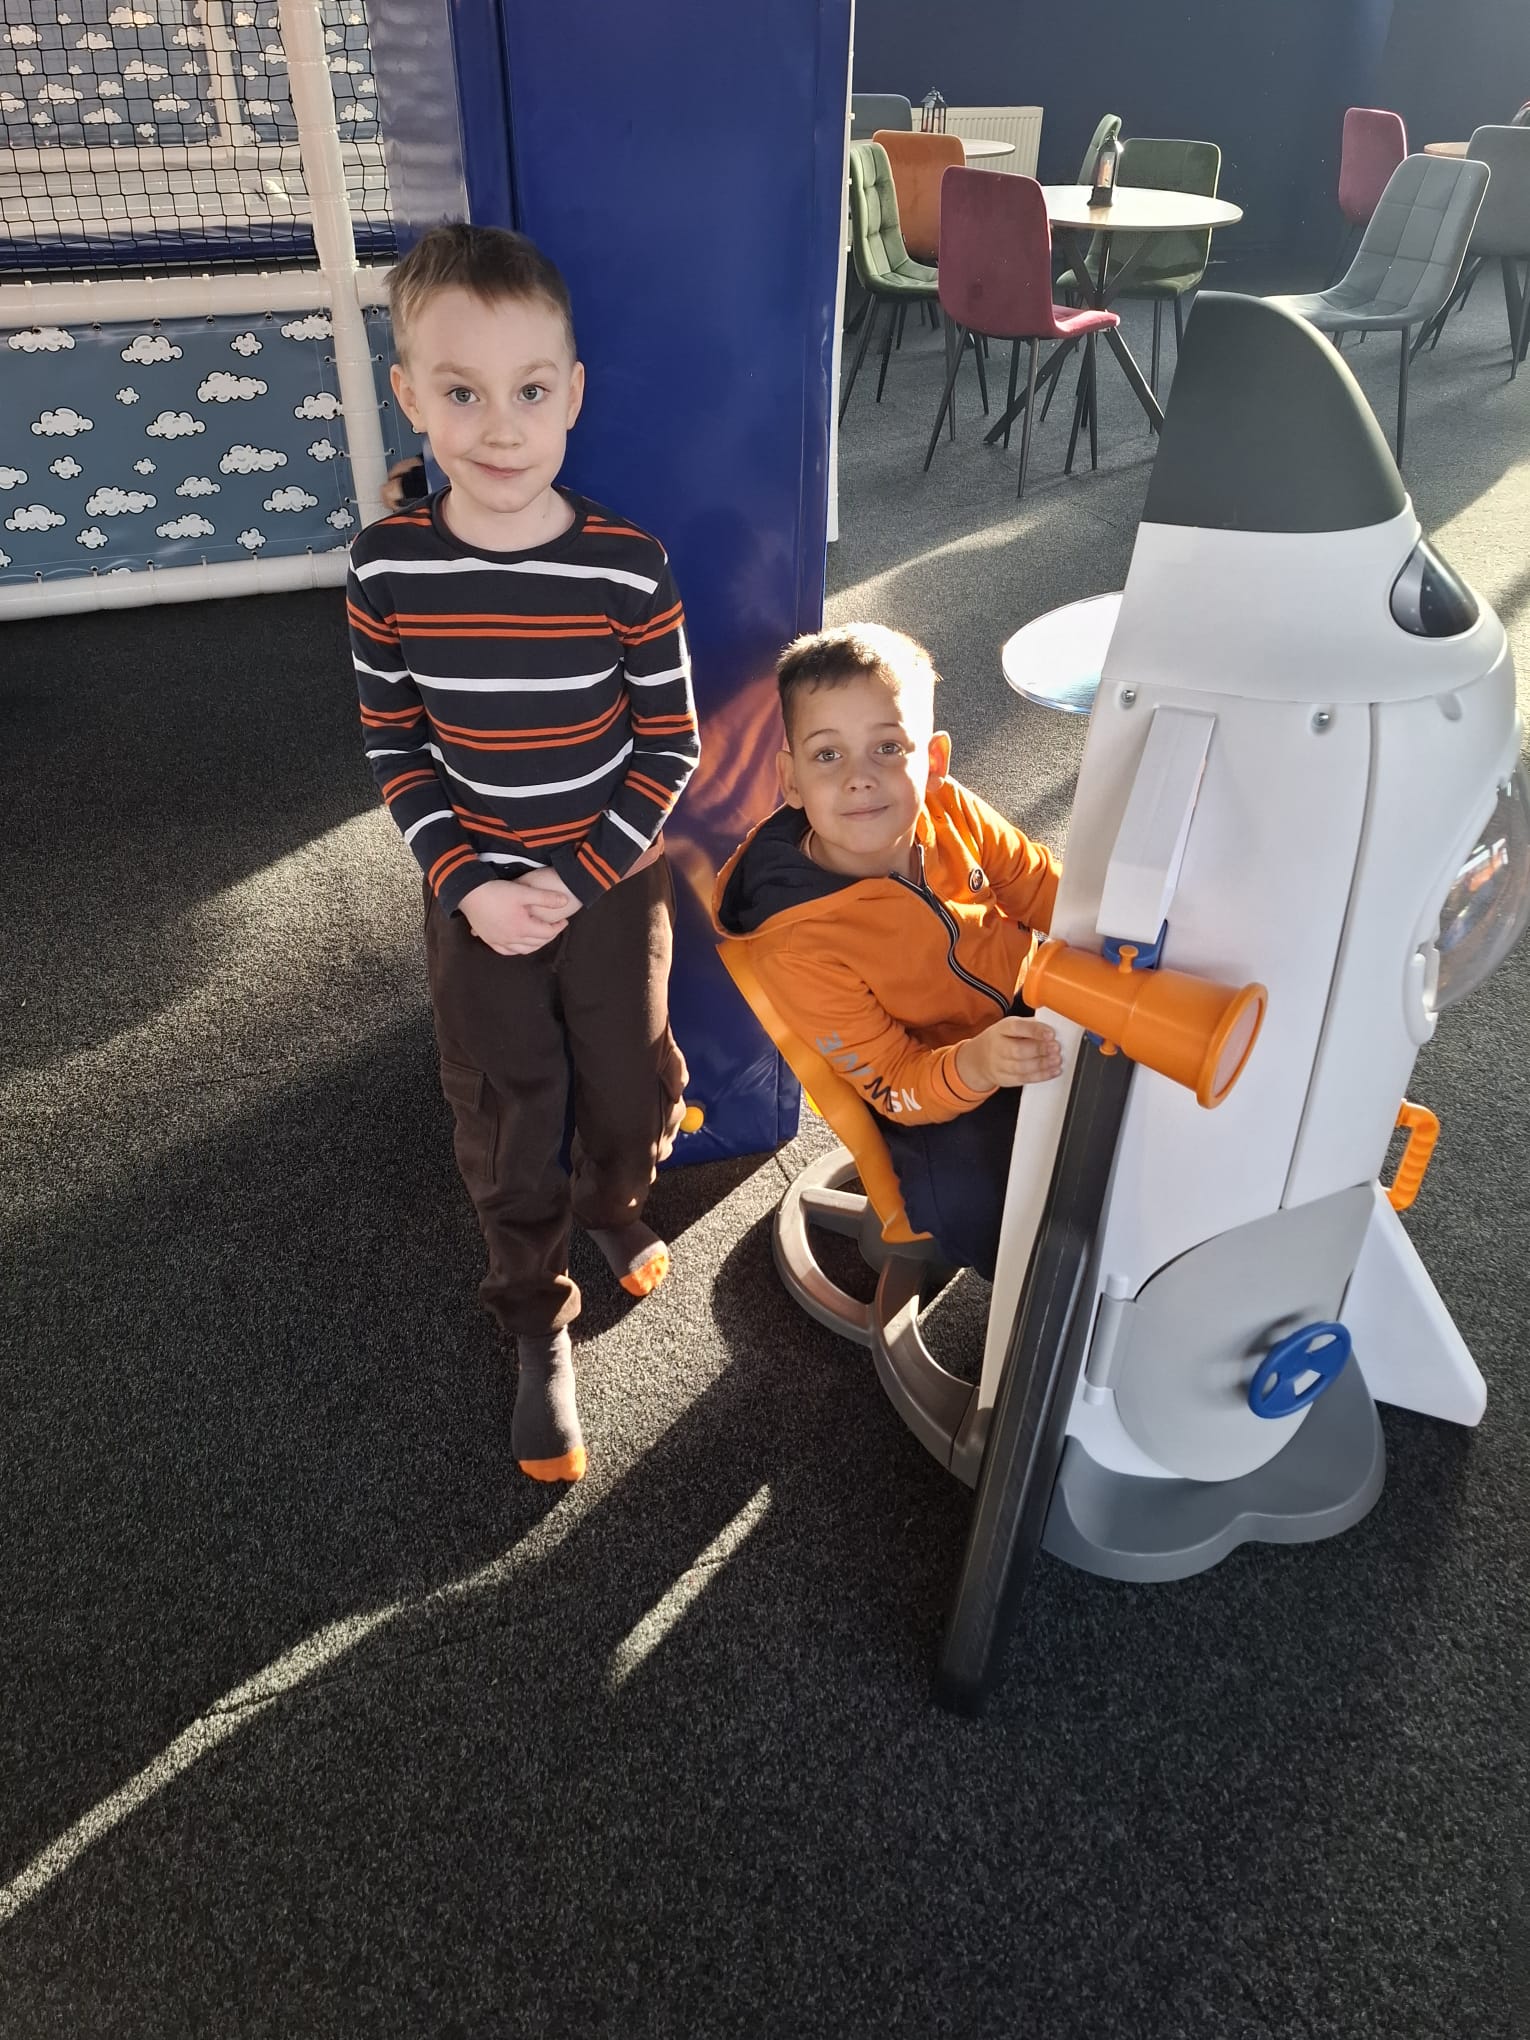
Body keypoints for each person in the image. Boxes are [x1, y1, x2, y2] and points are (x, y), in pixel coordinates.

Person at [347, 223, 699, 1485]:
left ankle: (613, 1203)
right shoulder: (386, 566)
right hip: (475, 906)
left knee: (628, 1090)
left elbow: (671, 747)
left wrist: (579, 878)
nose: (500, 429)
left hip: (610, 891)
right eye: (462, 394)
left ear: (573, 394)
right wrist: (469, 888)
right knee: (508, 1116)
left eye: (530, 392)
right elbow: (395, 748)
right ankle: (536, 1317)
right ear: (411, 396)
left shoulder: (626, 568)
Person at [713, 624, 1062, 1277]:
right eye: (827, 755)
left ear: (933, 761)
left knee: (1120, 1094)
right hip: (929, 1088)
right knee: (987, 1204)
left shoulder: (951, 812)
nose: (859, 779)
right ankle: (1031, 1294)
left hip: (1023, 1004)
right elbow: (897, 1081)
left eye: (888, 747)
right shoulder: (796, 943)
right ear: (791, 780)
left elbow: (1042, 887)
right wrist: (978, 1065)